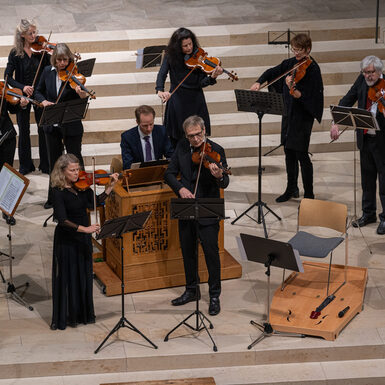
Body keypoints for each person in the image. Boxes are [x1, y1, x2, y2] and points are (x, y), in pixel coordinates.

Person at [164, 115, 229, 316]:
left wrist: (218, 175)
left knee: (211, 253)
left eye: (198, 135)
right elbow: (169, 174)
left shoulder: (216, 150)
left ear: (204, 131)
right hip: (186, 207)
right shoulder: (182, 147)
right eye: (191, 136)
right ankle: (191, 290)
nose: (195, 140)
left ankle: (215, 295)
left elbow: (224, 183)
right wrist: (180, 189)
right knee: (188, 252)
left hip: (208, 208)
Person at [250, 33, 323, 202]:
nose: (296, 54)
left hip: (303, 116)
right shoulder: (291, 64)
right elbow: (272, 71)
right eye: (294, 50)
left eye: (299, 51)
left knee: (302, 155)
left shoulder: (313, 70)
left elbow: (312, 97)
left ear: (308, 49)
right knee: (288, 151)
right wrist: (259, 82)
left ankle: (310, 194)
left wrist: (294, 89)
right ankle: (291, 188)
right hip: (289, 113)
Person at [50, 153, 119, 330]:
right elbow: (61, 219)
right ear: (62, 171)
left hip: (82, 240)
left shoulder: (82, 186)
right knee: (67, 277)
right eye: (72, 170)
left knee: (83, 275)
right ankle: (67, 317)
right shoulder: (57, 191)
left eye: (78, 169)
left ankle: (83, 314)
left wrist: (110, 186)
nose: (77, 173)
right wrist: (86, 229)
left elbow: (95, 202)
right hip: (67, 240)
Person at [330, 55, 385, 235]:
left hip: (382, 141)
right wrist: (336, 121)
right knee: (367, 179)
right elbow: (348, 99)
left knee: (384, 182)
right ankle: (368, 213)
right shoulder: (361, 81)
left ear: (379, 71)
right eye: (365, 72)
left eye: (371, 73)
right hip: (365, 139)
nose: (368, 76)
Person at [35, 43, 88, 209]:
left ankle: (82, 194)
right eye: (59, 60)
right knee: (54, 163)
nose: (62, 63)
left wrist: (82, 94)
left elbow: (82, 98)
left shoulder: (75, 73)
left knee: (76, 161)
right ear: (54, 60)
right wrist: (42, 101)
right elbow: (38, 91)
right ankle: (53, 198)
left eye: (65, 59)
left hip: (71, 124)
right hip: (52, 125)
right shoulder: (46, 72)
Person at [156, 27, 223, 148]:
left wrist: (213, 77)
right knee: (178, 137)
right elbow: (162, 73)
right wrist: (160, 90)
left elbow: (202, 82)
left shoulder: (199, 56)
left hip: (196, 99)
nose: (189, 48)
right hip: (177, 100)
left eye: (190, 44)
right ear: (177, 46)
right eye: (185, 46)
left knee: (198, 137)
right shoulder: (170, 55)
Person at [5, 19, 51, 175]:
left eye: (35, 32)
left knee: (42, 128)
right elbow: (8, 78)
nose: (34, 35)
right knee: (24, 130)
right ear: (22, 35)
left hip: (39, 94)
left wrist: (49, 52)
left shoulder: (41, 51)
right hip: (23, 97)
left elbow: (49, 70)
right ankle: (26, 166)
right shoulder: (15, 53)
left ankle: (46, 164)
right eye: (30, 33)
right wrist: (22, 87)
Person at [0, 95, 29, 225]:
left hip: (7, 137)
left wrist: (21, 104)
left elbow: (12, 109)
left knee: (7, 173)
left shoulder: (1, 90)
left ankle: (7, 210)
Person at [120, 105, 174, 170]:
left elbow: (170, 155)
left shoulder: (161, 131)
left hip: (158, 172)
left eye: (151, 124)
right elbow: (127, 165)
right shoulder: (127, 137)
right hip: (138, 174)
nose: (149, 129)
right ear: (137, 122)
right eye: (145, 125)